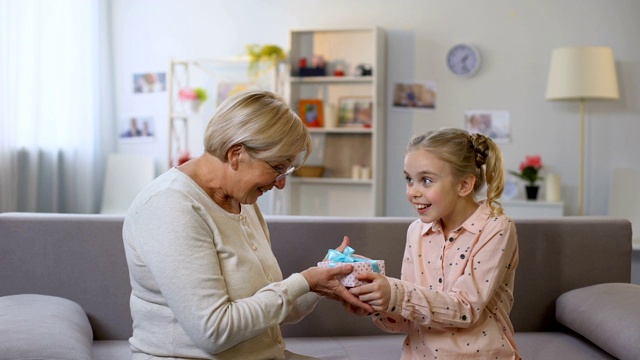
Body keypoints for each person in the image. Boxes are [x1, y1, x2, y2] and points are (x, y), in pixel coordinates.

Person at [122, 89, 372, 360]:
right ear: (236, 154)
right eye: (277, 168)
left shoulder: (243, 202)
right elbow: (214, 332)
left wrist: (320, 281)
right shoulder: (170, 205)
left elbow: (272, 309)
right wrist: (304, 281)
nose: (281, 183)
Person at [347, 128, 520, 359]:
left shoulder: (496, 228)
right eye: (409, 179)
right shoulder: (417, 231)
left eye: (426, 180)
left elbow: (466, 309)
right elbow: (410, 317)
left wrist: (395, 294)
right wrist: (376, 303)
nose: (413, 192)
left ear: (464, 185)